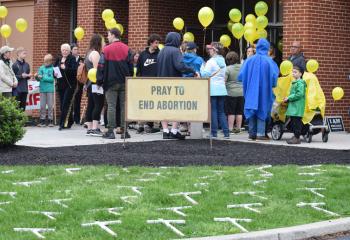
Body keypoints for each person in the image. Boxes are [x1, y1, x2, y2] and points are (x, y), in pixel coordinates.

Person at [157, 32, 197, 140]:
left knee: (163, 106)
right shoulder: (175, 51)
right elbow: (180, 66)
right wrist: (192, 71)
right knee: (177, 106)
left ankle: (165, 130)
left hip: (161, 83)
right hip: (174, 84)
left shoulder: (161, 51)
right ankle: (174, 130)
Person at [238, 38, 279, 141]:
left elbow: (240, 76)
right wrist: (272, 84)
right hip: (265, 91)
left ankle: (252, 133)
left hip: (250, 90)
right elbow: (274, 77)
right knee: (263, 108)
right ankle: (261, 133)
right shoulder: (269, 61)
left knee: (252, 108)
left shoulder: (249, 60)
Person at [97, 28, 133, 139]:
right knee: (123, 107)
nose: (107, 37)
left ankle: (110, 131)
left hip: (110, 82)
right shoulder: (127, 49)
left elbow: (101, 66)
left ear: (113, 35)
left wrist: (99, 80)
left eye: (108, 35)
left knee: (111, 106)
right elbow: (131, 67)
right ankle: (124, 131)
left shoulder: (106, 50)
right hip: (124, 81)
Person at [200, 42, 229, 139]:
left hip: (213, 89)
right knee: (221, 112)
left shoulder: (211, 61)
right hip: (222, 89)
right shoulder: (223, 61)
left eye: (210, 49)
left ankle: (213, 133)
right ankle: (226, 133)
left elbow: (205, 75)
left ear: (215, 50)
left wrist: (202, 67)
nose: (209, 51)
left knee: (213, 111)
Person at [136, 34, 162, 134]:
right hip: (144, 83)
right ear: (151, 43)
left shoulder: (160, 54)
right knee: (143, 105)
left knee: (156, 104)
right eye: (156, 42)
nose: (157, 44)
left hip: (156, 83)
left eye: (158, 43)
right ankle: (141, 125)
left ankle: (156, 125)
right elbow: (138, 69)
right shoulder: (143, 54)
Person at [85, 34, 105, 137]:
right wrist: (100, 82)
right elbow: (97, 70)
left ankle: (89, 128)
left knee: (91, 105)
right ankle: (95, 128)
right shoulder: (96, 53)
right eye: (102, 41)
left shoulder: (88, 52)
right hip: (95, 83)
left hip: (89, 83)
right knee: (98, 104)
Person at [55, 43, 77, 130]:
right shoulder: (58, 59)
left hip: (69, 85)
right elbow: (54, 69)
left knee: (65, 104)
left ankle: (62, 124)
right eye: (63, 50)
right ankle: (70, 121)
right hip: (60, 85)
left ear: (69, 51)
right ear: (61, 51)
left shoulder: (72, 59)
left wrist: (66, 68)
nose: (64, 52)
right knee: (62, 105)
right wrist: (55, 73)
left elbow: (74, 71)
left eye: (66, 50)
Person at [284, 65, 306, 144]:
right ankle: (295, 136)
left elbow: (299, 94)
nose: (293, 73)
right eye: (292, 72)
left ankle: (297, 138)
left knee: (296, 122)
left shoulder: (300, 83)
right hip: (294, 106)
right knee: (294, 122)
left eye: (295, 72)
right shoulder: (296, 82)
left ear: (300, 74)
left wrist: (289, 98)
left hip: (297, 107)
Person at [35, 54, 56, 127]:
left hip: (50, 89)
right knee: (42, 106)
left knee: (50, 105)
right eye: (45, 61)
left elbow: (52, 79)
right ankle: (42, 120)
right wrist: (36, 77)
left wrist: (43, 77)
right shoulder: (41, 68)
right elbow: (38, 79)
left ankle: (50, 120)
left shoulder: (53, 68)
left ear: (50, 61)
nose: (45, 63)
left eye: (47, 61)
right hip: (42, 89)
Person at [224, 51, 243, 134]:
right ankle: (238, 128)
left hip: (231, 93)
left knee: (231, 112)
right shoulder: (242, 67)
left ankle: (230, 129)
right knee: (239, 112)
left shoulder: (228, 69)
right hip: (241, 92)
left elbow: (224, 81)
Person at [71, 43, 83, 125]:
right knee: (70, 101)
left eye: (77, 49)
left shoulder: (81, 59)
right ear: (71, 50)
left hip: (79, 83)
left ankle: (77, 119)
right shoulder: (70, 59)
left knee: (78, 101)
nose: (76, 51)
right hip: (71, 83)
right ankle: (70, 118)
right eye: (74, 49)